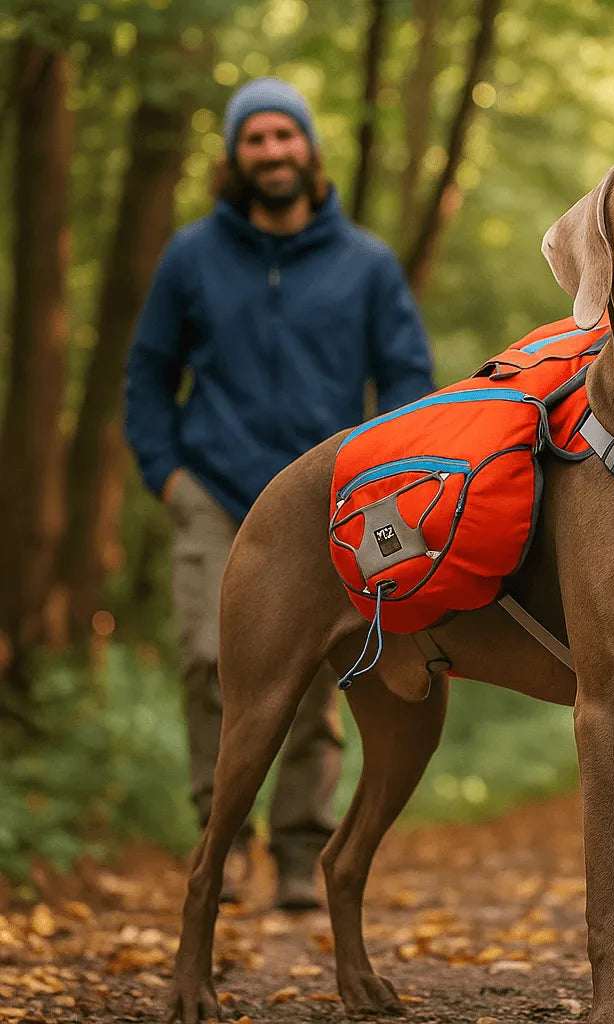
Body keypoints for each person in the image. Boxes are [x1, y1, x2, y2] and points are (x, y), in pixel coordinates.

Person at [124, 77, 434, 909]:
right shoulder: (192, 256)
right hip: (216, 497)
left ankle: (301, 852)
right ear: (236, 156)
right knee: (207, 661)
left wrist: (389, 480)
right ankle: (218, 842)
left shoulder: (365, 264)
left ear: (309, 149)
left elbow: (409, 378)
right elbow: (148, 375)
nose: (271, 152)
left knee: (328, 671)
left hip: (332, 506)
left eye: (283, 137)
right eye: (255, 139)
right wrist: (170, 478)